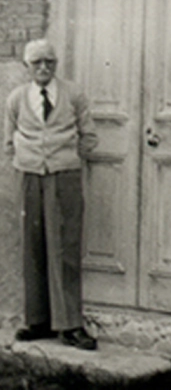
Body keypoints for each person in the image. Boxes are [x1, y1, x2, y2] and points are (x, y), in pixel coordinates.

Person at [3, 38, 99, 350]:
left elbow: (89, 137)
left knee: (65, 248)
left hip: (64, 176)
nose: (44, 68)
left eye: (49, 62)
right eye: (37, 63)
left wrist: (66, 160)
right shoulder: (17, 98)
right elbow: (8, 140)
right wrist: (27, 160)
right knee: (33, 246)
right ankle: (38, 321)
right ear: (27, 66)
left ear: (56, 64)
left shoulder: (73, 94)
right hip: (29, 175)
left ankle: (70, 325)